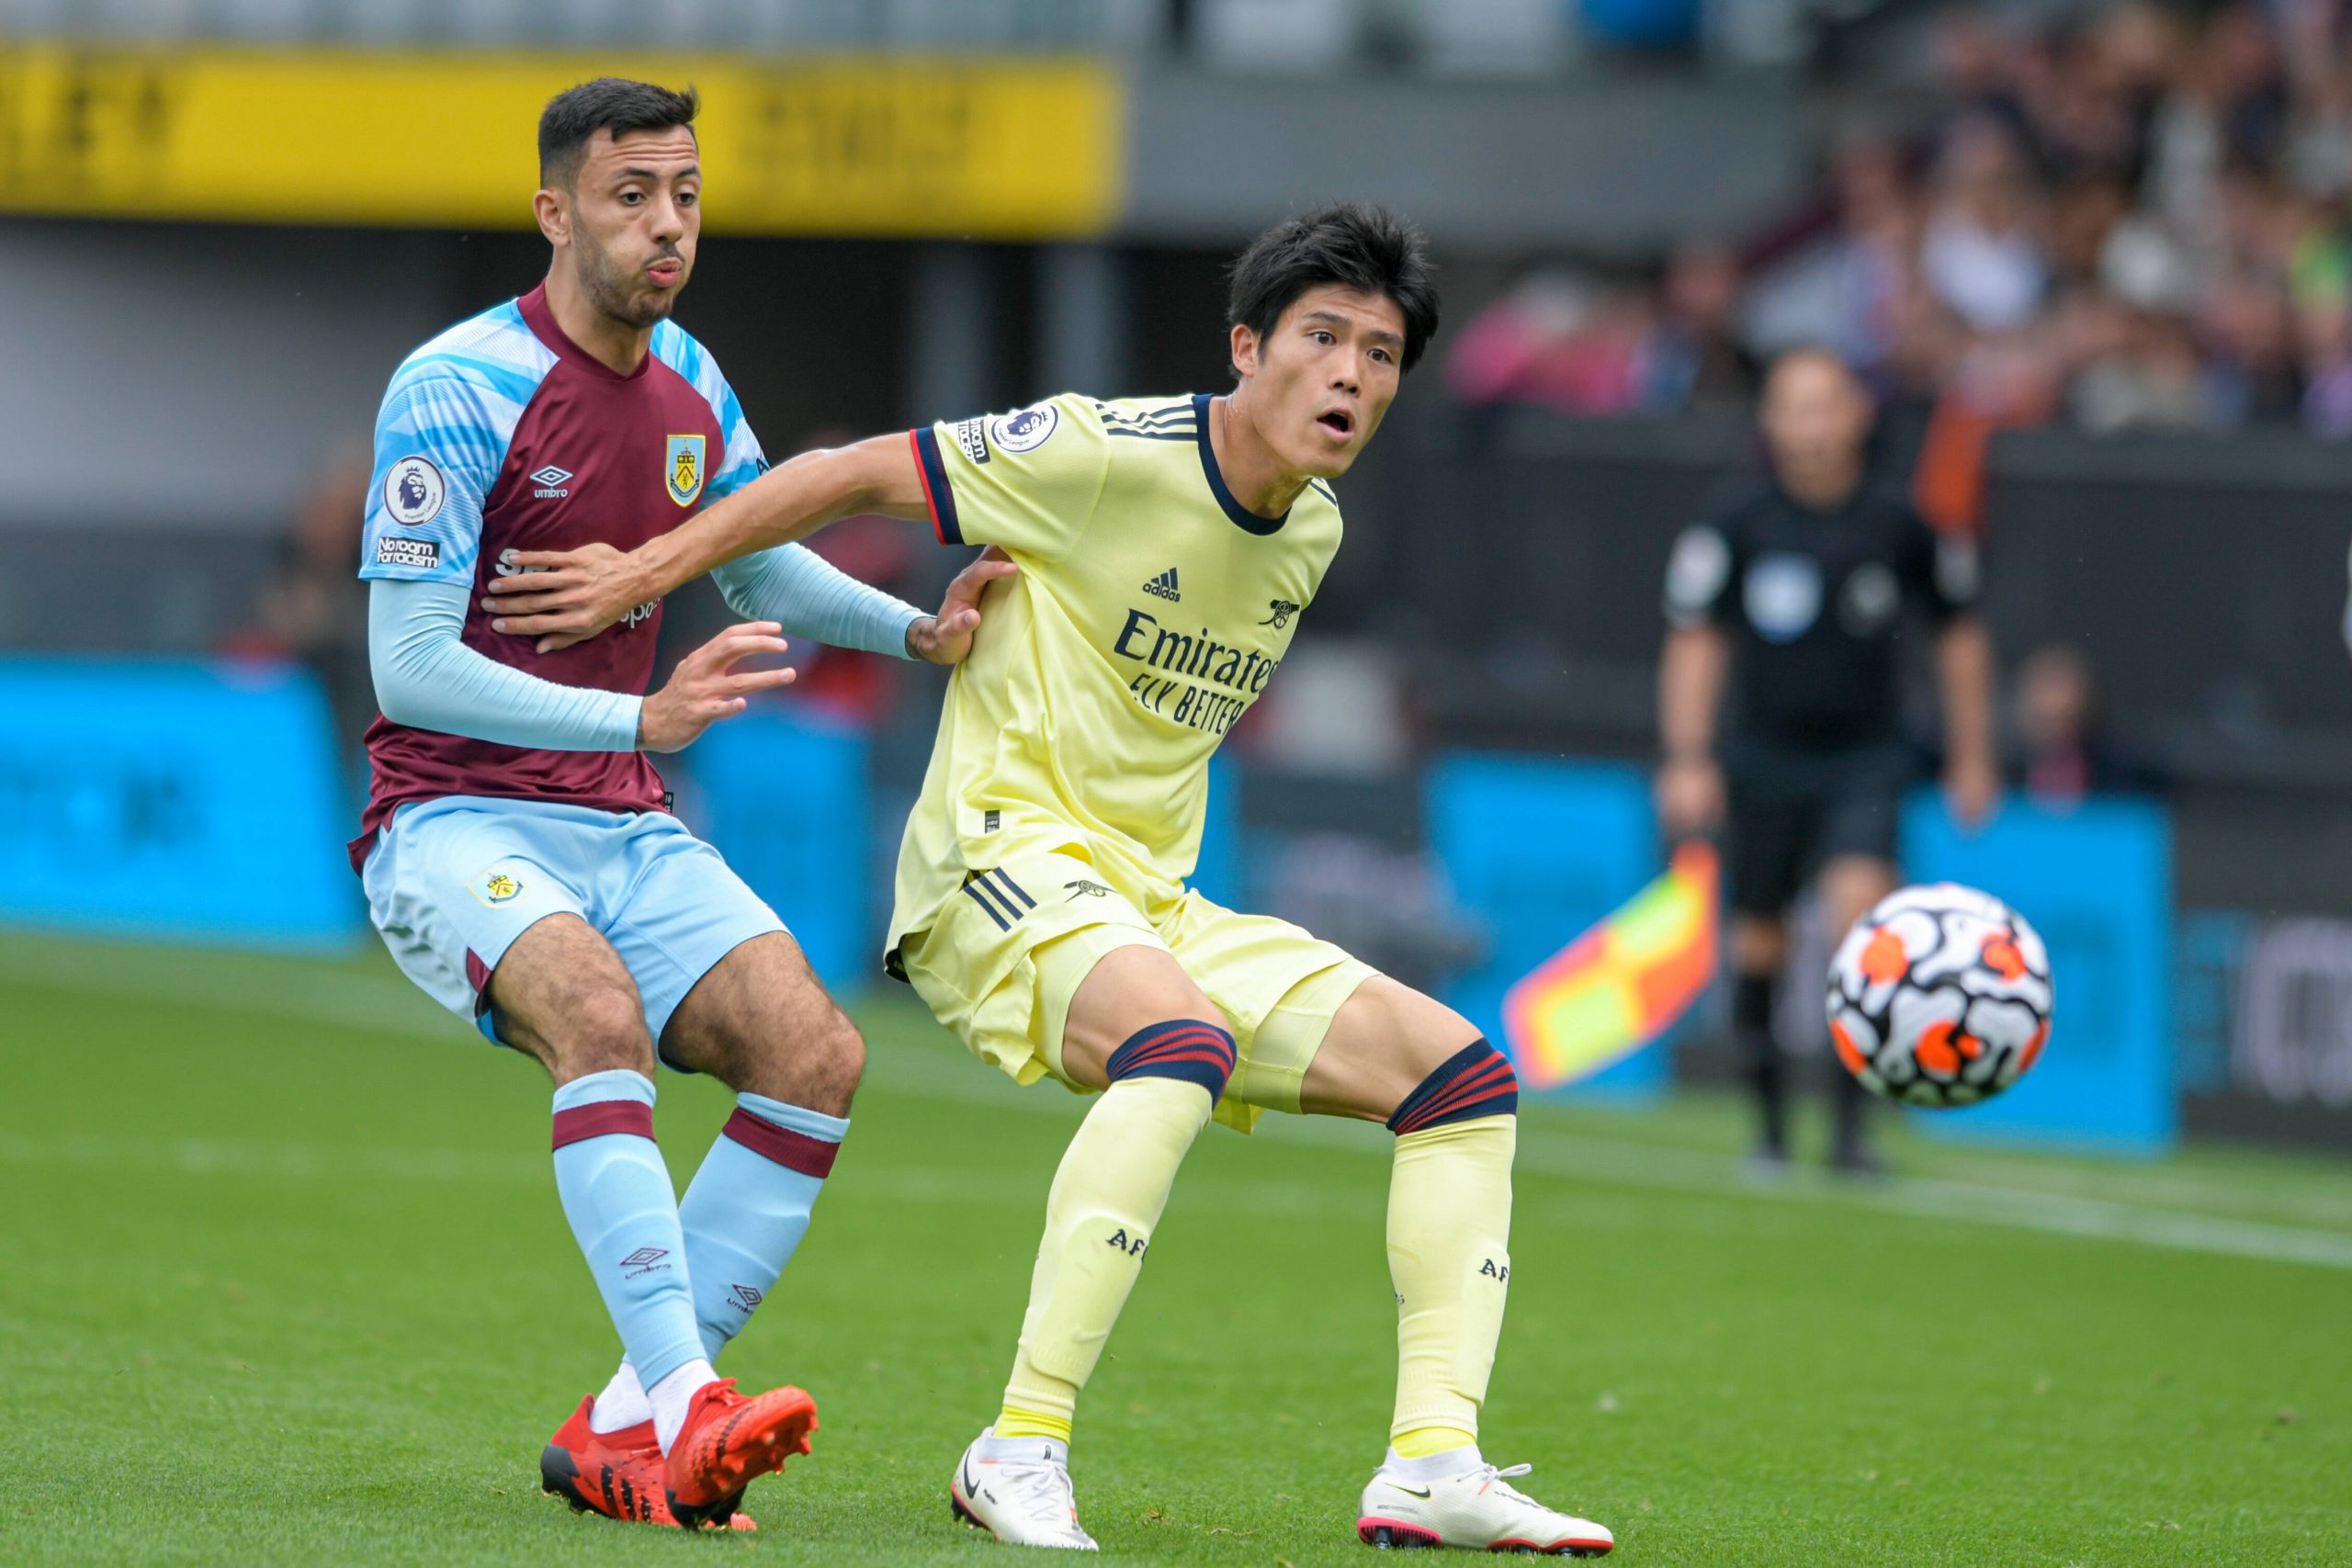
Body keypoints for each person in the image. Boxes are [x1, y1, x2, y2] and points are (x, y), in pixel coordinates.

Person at [483, 203, 1616, 1557]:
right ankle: (1016, 1442)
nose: (1352, 377)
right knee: (1177, 1044)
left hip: (1146, 897)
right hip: (994, 862)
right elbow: (842, 474)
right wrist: (650, 572)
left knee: (1461, 1077)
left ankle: (1434, 1460)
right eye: (1323, 339)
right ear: (1246, 346)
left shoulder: (1307, 531)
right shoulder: (1099, 452)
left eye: (1381, 355)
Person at [352, 78, 1002, 1531]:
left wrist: (918, 633)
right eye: (632, 192)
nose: (665, 224)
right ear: (556, 210)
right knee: (597, 1014)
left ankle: (626, 1424)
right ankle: (692, 1397)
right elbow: (405, 670)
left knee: (816, 1050)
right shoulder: (455, 386)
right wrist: (633, 714)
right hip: (456, 818)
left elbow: (761, 565)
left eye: (687, 195)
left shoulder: (696, 382)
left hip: (622, 816)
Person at [1656, 347, 1997, 1175]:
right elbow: (1695, 643)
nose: (1810, 425)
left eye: (1826, 406)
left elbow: (1959, 637)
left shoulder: (1903, 525)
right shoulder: (1735, 525)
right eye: (1792, 407)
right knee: (1759, 945)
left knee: (1859, 924)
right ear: (1769, 422)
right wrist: (1688, 756)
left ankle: (1849, 1133)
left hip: (1866, 759)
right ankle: (1771, 1132)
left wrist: (1972, 754)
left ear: (1857, 416)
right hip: (1761, 763)